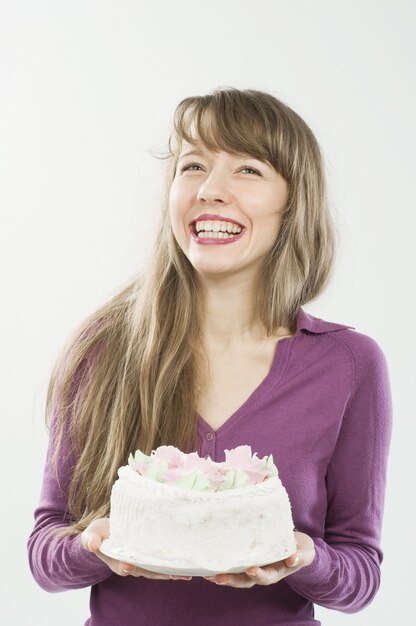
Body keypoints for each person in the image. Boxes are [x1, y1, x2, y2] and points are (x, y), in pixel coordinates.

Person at [27, 87, 393, 626]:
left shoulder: (349, 365)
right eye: (193, 165)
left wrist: (301, 557)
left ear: (294, 202)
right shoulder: (103, 350)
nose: (210, 191)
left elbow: (360, 575)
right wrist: (94, 547)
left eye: (247, 169)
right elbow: (44, 555)